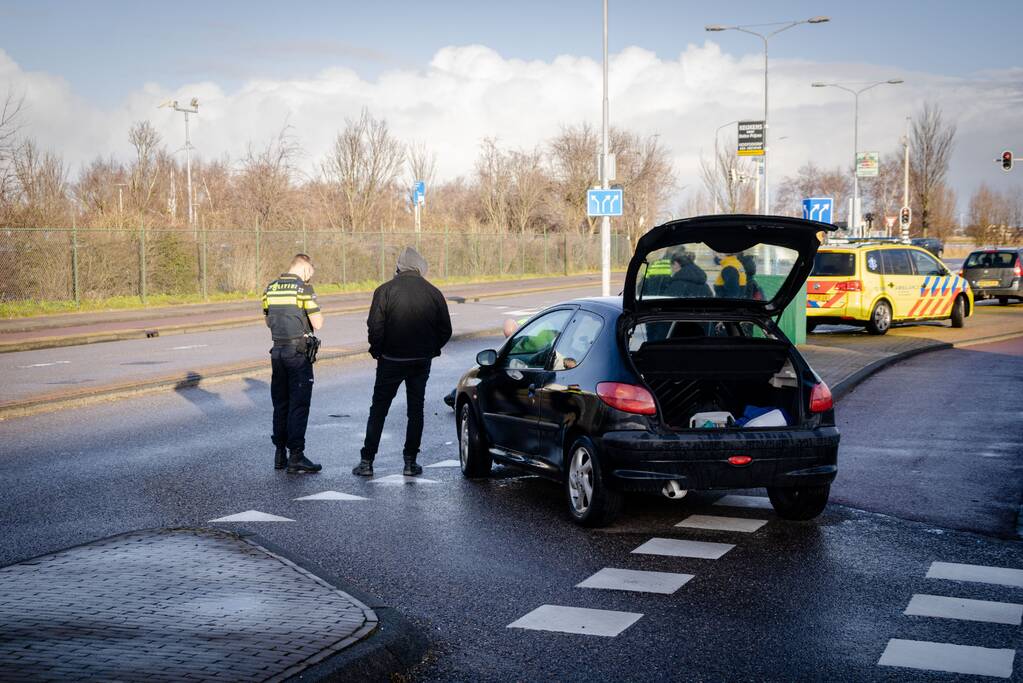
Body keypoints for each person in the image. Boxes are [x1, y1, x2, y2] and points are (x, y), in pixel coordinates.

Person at [353, 247, 452, 477]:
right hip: (420, 361)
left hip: (391, 359)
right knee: (415, 411)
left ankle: (367, 461)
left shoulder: (384, 290)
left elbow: (374, 326)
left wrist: (378, 351)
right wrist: (431, 350)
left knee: (378, 410)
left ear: (399, 266)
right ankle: (410, 462)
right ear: (420, 267)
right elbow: (445, 329)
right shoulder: (433, 293)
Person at [263, 254, 323, 474]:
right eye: (310, 274)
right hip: (298, 353)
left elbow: (268, 321)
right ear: (306, 269)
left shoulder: (270, 288)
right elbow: (318, 322)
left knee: (281, 403)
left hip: (277, 350)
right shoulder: (303, 289)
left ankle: (280, 455)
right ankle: (296, 456)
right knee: (298, 405)